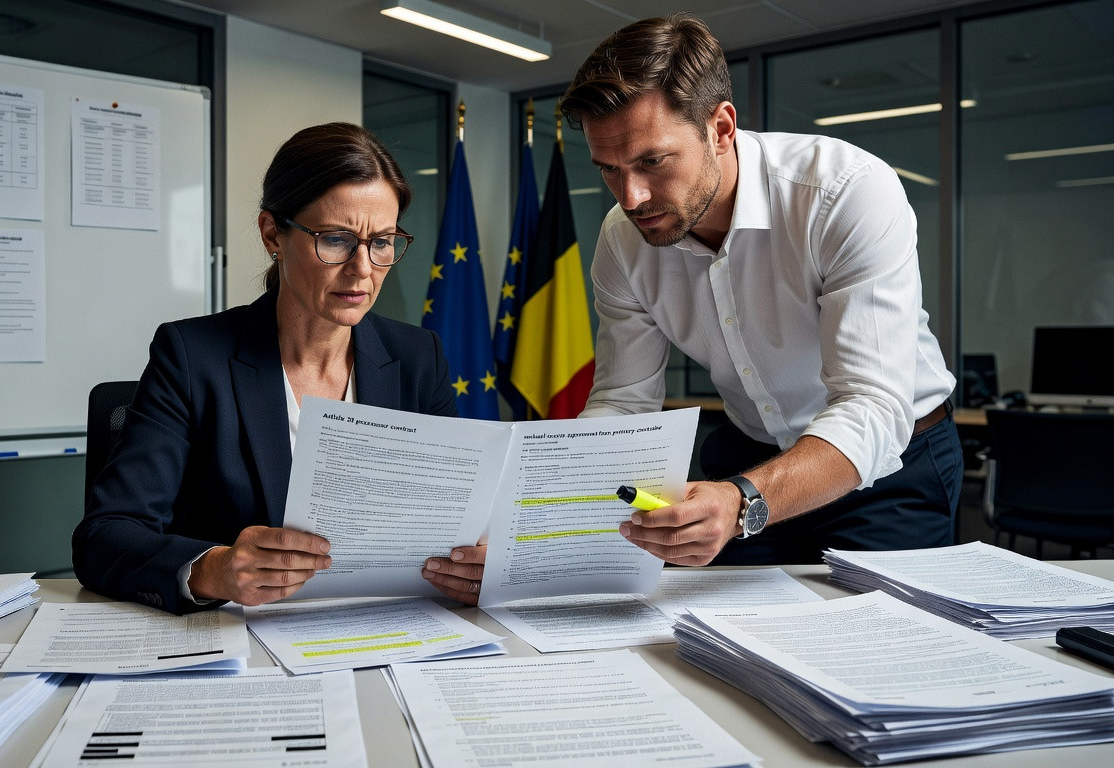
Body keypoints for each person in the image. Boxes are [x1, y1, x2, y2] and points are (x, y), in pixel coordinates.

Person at [560, 14, 962, 566]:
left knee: (865, 639)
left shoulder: (844, 192)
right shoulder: (621, 239)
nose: (631, 197)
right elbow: (625, 405)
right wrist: (535, 515)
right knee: (703, 637)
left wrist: (747, 498)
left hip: (887, 463)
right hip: (750, 459)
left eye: (652, 161)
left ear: (721, 128)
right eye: (609, 169)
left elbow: (871, 404)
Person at [73, 122, 485, 613]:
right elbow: (105, 536)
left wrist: (472, 563)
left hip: (383, 630)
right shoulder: (191, 355)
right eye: (336, 239)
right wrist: (212, 569)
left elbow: (449, 522)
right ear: (273, 233)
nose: (362, 268)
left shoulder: (420, 357)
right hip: (243, 644)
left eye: (383, 241)